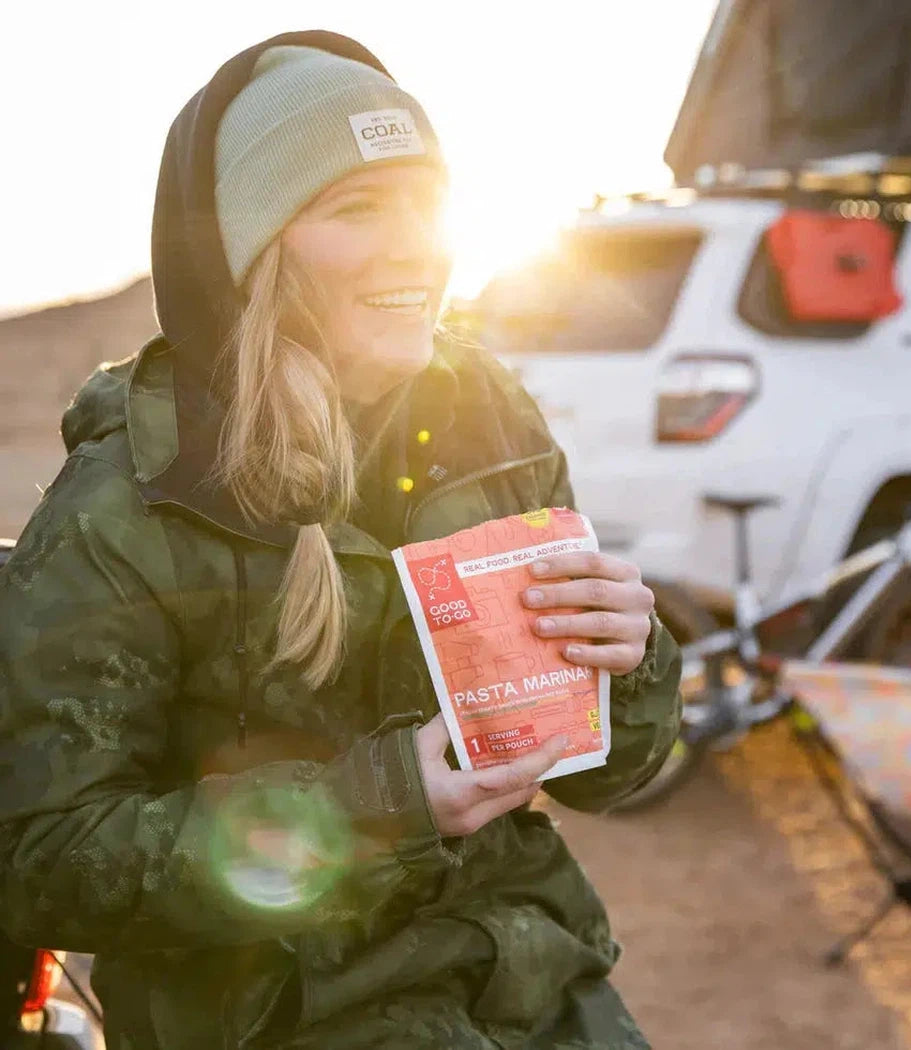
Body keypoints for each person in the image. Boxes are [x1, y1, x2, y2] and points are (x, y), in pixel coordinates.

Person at [0, 29, 681, 1050]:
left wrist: (627, 666)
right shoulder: (134, 503)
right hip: (281, 1017)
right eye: (359, 209)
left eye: (425, 201)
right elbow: (42, 862)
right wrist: (380, 803)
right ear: (253, 253)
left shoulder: (485, 416)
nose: (418, 245)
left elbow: (603, 772)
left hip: (536, 986)